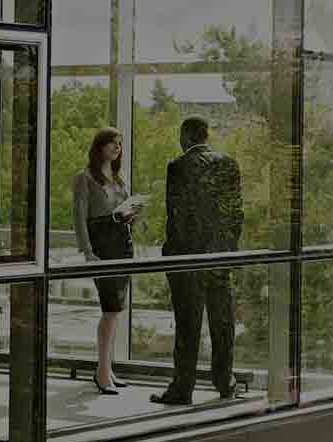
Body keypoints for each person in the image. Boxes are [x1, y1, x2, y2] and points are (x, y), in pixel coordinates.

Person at [152, 116, 243, 406]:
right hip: (219, 257)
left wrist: (172, 253)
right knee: (222, 322)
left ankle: (183, 387)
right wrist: (227, 251)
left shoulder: (178, 167)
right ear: (207, 135)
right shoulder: (229, 164)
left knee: (188, 324)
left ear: (186, 137)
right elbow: (236, 213)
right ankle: (225, 382)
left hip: (188, 260)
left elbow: (176, 215)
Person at [72, 128, 141, 396]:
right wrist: (87, 251)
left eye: (120, 144)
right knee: (110, 308)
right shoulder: (84, 178)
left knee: (116, 309)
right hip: (102, 247)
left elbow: (123, 212)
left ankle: (106, 369)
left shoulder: (118, 178)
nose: (117, 147)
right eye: (113, 143)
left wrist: (133, 214)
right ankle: (102, 372)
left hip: (122, 243)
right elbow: (79, 217)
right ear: (99, 146)